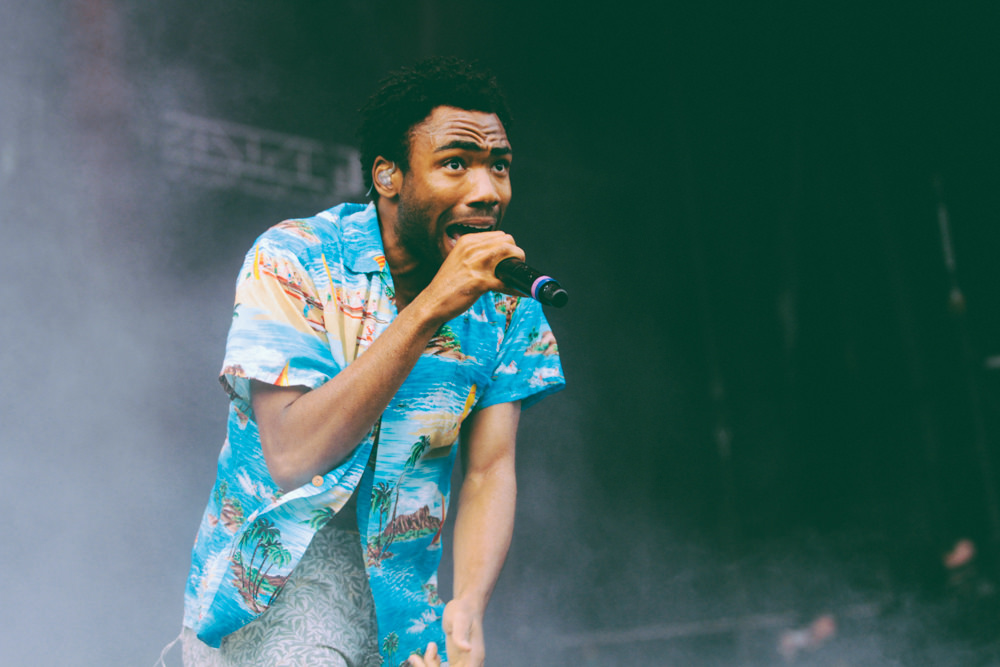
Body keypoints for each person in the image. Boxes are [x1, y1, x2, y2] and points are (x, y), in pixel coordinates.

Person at [179, 56, 565, 667]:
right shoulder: (296, 259)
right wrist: (431, 308)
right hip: (277, 579)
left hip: (402, 602)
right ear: (388, 176)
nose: (487, 190)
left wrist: (467, 605)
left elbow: (490, 470)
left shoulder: (508, 306)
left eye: (499, 166)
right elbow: (291, 455)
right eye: (455, 164)